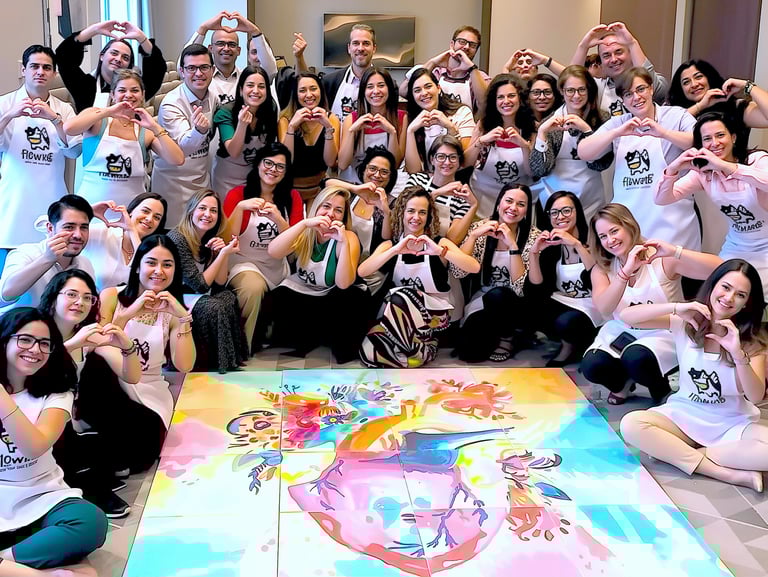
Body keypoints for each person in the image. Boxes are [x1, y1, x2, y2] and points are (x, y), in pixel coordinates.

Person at [620, 259, 768, 492]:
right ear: (713, 286)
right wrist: (676, 307)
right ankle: (724, 472)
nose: (729, 298)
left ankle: (685, 453)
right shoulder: (685, 322)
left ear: (747, 303)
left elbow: (756, 396)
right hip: (684, 415)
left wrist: (738, 354)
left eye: (740, 294)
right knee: (631, 424)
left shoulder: (752, 342)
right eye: (725, 287)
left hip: (730, 424)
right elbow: (627, 317)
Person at [0, 307, 107, 577]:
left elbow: (35, 446)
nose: (35, 349)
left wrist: (2, 398)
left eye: (44, 343)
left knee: (90, 522)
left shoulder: (57, 393)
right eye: (25, 339)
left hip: (42, 495)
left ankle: (7, 563)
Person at [581, 204, 721, 405]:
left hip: (663, 331)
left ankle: (660, 389)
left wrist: (676, 251)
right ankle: (622, 385)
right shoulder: (602, 268)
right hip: (622, 329)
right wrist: (625, 272)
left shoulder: (660, 259)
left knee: (636, 358)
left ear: (628, 226)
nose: (610, 240)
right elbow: (605, 309)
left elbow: (719, 268)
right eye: (603, 236)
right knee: (592, 365)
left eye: (614, 231)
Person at [39, 270, 139, 519]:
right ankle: (86, 487)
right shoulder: (35, 329)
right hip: (34, 421)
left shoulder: (88, 334)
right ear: (53, 297)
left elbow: (132, 376)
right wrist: (73, 345)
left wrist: (127, 346)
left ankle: (90, 480)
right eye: (71, 294)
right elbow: (29, 376)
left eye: (87, 298)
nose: (80, 303)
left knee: (107, 386)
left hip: (68, 421)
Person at [99, 234, 196, 471]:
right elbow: (98, 346)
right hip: (112, 381)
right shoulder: (112, 296)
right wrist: (130, 312)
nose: (159, 271)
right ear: (137, 266)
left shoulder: (173, 310)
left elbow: (184, 365)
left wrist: (183, 318)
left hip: (150, 388)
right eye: (151, 262)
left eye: (167, 264)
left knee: (144, 453)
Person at [578, 67, 698, 249]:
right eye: (628, 94)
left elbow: (697, 142)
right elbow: (584, 151)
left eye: (641, 89)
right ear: (623, 100)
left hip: (673, 221)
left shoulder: (676, 115)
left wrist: (663, 133)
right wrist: (616, 132)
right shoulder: (619, 122)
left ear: (651, 89)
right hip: (629, 222)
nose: (636, 98)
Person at [359, 186, 480, 368]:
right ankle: (415, 351)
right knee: (367, 352)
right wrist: (395, 250)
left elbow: (474, 267)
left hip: (435, 316)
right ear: (401, 213)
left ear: (428, 216)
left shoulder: (440, 243)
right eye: (411, 211)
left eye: (422, 212)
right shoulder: (391, 244)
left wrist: (440, 251)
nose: (416, 217)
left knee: (401, 295)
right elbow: (363, 271)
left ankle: (412, 350)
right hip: (402, 319)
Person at [656, 111, 768, 294]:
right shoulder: (703, 174)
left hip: (766, 247)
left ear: (733, 137)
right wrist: (673, 168)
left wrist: (725, 166)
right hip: (737, 246)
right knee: (720, 293)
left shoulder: (757, 160)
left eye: (720, 135)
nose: (714, 143)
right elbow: (662, 199)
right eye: (707, 139)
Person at [267, 186, 368, 363]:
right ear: (316, 208)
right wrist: (304, 224)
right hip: (309, 291)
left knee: (346, 298)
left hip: (335, 293)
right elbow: (274, 251)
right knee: (277, 297)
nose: (330, 214)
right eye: (326, 206)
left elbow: (344, 283)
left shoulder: (348, 237)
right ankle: (307, 337)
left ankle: (329, 340)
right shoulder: (306, 230)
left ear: (344, 217)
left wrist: (342, 242)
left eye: (338, 210)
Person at [223, 143, 303, 352]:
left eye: (280, 166)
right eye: (268, 163)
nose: (273, 169)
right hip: (244, 262)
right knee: (253, 287)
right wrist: (241, 208)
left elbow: (295, 244)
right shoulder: (237, 195)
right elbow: (226, 237)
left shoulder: (292, 197)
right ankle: (243, 349)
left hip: (277, 265)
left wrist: (277, 217)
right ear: (258, 164)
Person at [64, 69, 184, 208]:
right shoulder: (97, 118)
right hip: (91, 208)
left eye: (134, 90)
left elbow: (177, 159)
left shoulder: (146, 132)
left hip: (130, 211)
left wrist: (155, 127)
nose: (128, 95)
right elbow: (69, 128)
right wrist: (108, 111)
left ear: (142, 95)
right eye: (122, 90)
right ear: (112, 94)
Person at [0, 45, 82, 248]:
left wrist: (55, 119)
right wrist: (10, 115)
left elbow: (74, 151)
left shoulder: (63, 109)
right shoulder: (5, 104)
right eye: (34, 66)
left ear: (54, 73)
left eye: (46, 68)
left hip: (51, 196)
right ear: (23, 70)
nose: (40, 72)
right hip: (14, 202)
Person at [452, 185, 542, 362]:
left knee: (499, 295)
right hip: (484, 300)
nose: (513, 208)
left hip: (516, 303)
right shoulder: (481, 229)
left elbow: (520, 287)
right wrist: (472, 237)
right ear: (499, 203)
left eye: (520, 204)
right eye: (509, 201)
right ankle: (494, 336)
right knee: (468, 354)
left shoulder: (533, 237)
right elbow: (458, 271)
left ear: (526, 211)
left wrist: (512, 246)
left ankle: (508, 337)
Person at [167, 190, 248, 373]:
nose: (208, 214)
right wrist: (225, 254)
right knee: (214, 306)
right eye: (202, 208)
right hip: (178, 295)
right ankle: (213, 363)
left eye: (213, 210)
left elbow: (220, 282)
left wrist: (220, 253)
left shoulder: (207, 237)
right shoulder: (178, 238)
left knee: (228, 297)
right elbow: (200, 285)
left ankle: (230, 359)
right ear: (191, 211)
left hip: (196, 293)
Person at [528, 191, 601, 367]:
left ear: (577, 212)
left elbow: (596, 274)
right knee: (529, 305)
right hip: (564, 301)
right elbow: (537, 284)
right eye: (554, 212)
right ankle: (571, 341)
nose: (560, 217)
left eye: (566, 211)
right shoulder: (553, 246)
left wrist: (576, 244)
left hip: (593, 305)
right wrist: (535, 253)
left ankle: (569, 347)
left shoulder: (594, 239)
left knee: (566, 322)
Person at [530, 65, 611, 221]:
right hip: (552, 198)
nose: (576, 96)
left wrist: (587, 131)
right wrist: (542, 133)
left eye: (582, 90)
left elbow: (601, 164)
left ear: (589, 90)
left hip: (591, 198)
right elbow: (539, 169)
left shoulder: (602, 119)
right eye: (570, 90)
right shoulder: (550, 121)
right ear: (561, 91)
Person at [152, 44, 217, 227]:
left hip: (201, 180)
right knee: (176, 237)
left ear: (212, 70)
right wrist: (199, 131)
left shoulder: (213, 97)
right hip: (174, 184)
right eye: (191, 68)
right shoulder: (171, 104)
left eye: (204, 67)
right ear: (181, 71)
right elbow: (182, 150)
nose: (198, 73)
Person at [0, 195, 94, 312]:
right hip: (16, 326)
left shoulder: (85, 263)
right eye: (69, 227)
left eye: (84, 228)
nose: (78, 235)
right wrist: (47, 259)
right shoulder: (25, 253)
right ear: (50, 228)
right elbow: (5, 295)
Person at [326, 147, 397, 297]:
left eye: (384, 172)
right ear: (364, 170)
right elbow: (327, 183)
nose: (377, 175)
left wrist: (385, 211)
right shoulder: (352, 192)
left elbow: (387, 239)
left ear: (391, 177)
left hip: (368, 271)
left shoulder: (393, 204)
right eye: (372, 168)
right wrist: (356, 188)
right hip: (338, 262)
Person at [55, 19, 165, 112]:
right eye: (114, 53)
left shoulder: (135, 90)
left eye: (125, 57)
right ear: (101, 56)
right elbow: (63, 58)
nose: (118, 59)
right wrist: (94, 30)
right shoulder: (84, 86)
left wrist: (142, 38)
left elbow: (157, 69)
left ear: (129, 65)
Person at [465, 74, 535, 219]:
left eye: (511, 96)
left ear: (520, 98)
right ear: (494, 101)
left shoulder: (531, 128)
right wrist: (481, 141)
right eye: (500, 97)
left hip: (516, 208)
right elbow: (465, 163)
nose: (506, 101)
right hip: (481, 200)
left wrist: (524, 146)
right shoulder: (483, 125)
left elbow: (531, 172)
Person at [571, 21, 668, 116]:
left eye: (619, 52)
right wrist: (583, 47)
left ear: (631, 53)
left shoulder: (654, 83)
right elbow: (571, 83)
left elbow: (649, 83)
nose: (613, 59)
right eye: (606, 55)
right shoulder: (599, 87)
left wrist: (632, 43)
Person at [212, 65, 278, 196]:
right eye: (250, 85)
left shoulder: (271, 108)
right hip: (227, 178)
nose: (256, 91)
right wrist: (242, 125)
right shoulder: (225, 112)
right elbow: (233, 151)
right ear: (241, 90)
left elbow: (270, 147)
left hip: (255, 177)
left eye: (261, 86)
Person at [82, 192, 168, 291]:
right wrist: (87, 211)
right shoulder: (103, 231)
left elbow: (150, 274)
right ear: (130, 211)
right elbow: (65, 231)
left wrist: (132, 231)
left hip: (130, 305)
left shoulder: (156, 248)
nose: (149, 219)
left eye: (156, 217)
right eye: (145, 211)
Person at [279, 73, 341, 203]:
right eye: (302, 90)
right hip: (289, 191)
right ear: (295, 94)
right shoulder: (285, 120)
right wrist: (292, 128)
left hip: (319, 190)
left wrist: (328, 128)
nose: (309, 95)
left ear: (320, 91)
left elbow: (330, 161)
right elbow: (285, 162)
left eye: (313, 89)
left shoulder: (331, 119)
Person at [398, 26, 490, 113]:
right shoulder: (435, 73)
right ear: (452, 44)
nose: (466, 47)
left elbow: (486, 104)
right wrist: (433, 63)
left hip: (466, 128)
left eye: (473, 45)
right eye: (462, 42)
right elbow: (404, 91)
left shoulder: (481, 77)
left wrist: (472, 68)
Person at [338, 67, 406, 182]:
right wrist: (352, 131)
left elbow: (395, 165)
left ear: (389, 88)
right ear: (363, 91)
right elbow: (343, 164)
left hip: (384, 184)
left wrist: (392, 132)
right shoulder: (351, 119)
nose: (376, 91)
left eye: (381, 85)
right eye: (370, 87)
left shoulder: (401, 118)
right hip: (353, 184)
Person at [406, 135, 478, 243]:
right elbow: (400, 213)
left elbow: (453, 239)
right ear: (432, 160)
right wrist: (436, 193)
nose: (447, 162)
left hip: (438, 251)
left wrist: (474, 206)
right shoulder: (417, 180)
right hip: (407, 242)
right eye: (441, 157)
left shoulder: (463, 197)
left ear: (459, 162)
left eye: (453, 157)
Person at [404, 68, 475, 174]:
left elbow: (464, 162)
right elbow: (414, 171)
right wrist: (410, 131)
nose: (424, 93)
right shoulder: (411, 119)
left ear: (438, 88)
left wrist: (450, 127)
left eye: (428, 86)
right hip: (426, 181)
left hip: (457, 178)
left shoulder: (462, 112)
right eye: (417, 90)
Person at [185, 10, 264, 106]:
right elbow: (185, 62)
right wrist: (203, 28)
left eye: (231, 44)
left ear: (238, 50)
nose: (226, 49)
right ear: (210, 49)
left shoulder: (246, 78)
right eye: (220, 44)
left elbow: (271, 70)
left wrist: (255, 31)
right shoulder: (201, 78)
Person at [321, 24, 377, 122]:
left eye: (366, 43)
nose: (360, 48)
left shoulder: (387, 84)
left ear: (374, 49)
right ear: (349, 48)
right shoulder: (329, 82)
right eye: (355, 43)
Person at [501, 48, 566, 83]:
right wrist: (506, 68)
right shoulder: (512, 94)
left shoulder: (545, 86)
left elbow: (571, 77)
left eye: (529, 62)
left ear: (536, 69)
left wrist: (545, 60)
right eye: (520, 63)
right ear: (514, 69)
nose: (525, 66)